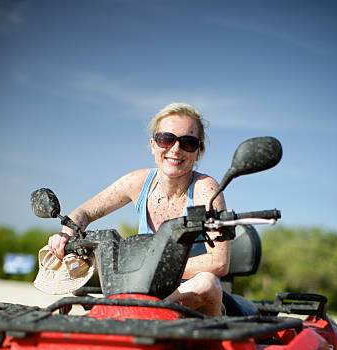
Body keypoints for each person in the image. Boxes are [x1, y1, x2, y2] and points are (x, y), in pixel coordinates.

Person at [48, 102, 230, 316]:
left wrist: (151, 271)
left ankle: (135, 312)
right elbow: (83, 213)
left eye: (188, 143)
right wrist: (65, 235)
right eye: (166, 139)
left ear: (198, 151)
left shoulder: (206, 189)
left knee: (206, 282)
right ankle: (132, 312)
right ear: (153, 144)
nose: (175, 149)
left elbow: (219, 262)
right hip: (142, 290)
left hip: (191, 299)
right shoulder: (138, 181)